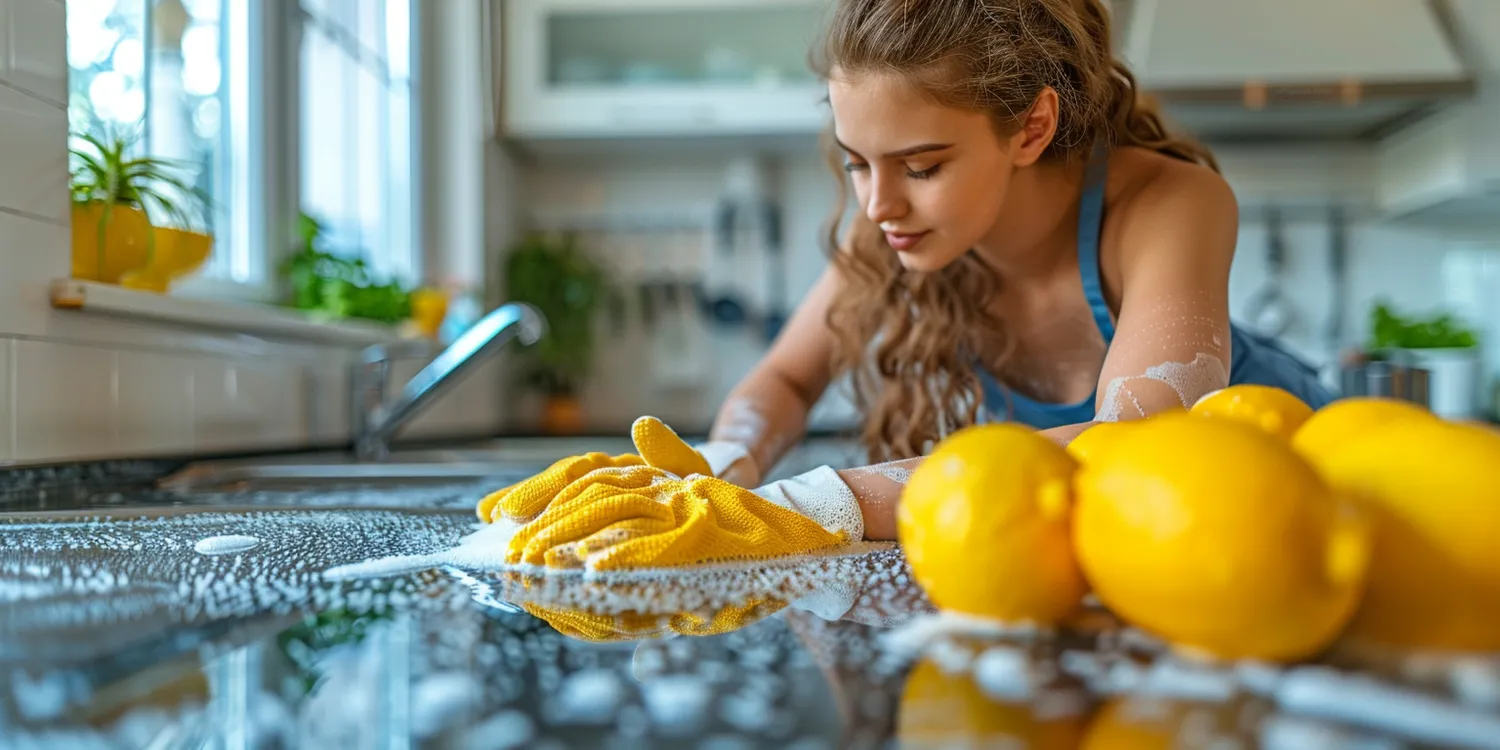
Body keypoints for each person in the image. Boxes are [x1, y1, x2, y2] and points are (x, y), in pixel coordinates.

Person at [484, 0, 1335, 563]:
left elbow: (1141, 446)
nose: (880, 205)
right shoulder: (901, 225)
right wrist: (720, 468)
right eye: (856, 164)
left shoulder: (1168, 202)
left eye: (921, 165)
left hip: (1297, 524)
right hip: (1136, 552)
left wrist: (820, 501)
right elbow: (785, 376)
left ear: (1032, 126)